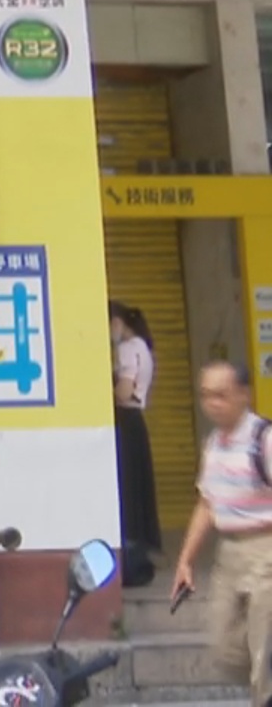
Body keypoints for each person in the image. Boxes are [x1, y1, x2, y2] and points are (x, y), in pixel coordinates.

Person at [173, 360, 272, 707]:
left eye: (221, 395)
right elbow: (207, 503)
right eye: (206, 395)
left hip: (265, 549)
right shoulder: (214, 443)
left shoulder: (264, 440)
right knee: (224, 645)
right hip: (229, 553)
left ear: (244, 395)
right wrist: (185, 561)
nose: (212, 403)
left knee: (264, 650)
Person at [110, 301, 162, 586]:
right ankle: (138, 557)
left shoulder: (127, 349)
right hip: (136, 424)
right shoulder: (143, 346)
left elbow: (123, 392)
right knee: (137, 491)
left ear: (118, 323)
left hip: (125, 423)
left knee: (127, 493)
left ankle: (131, 564)